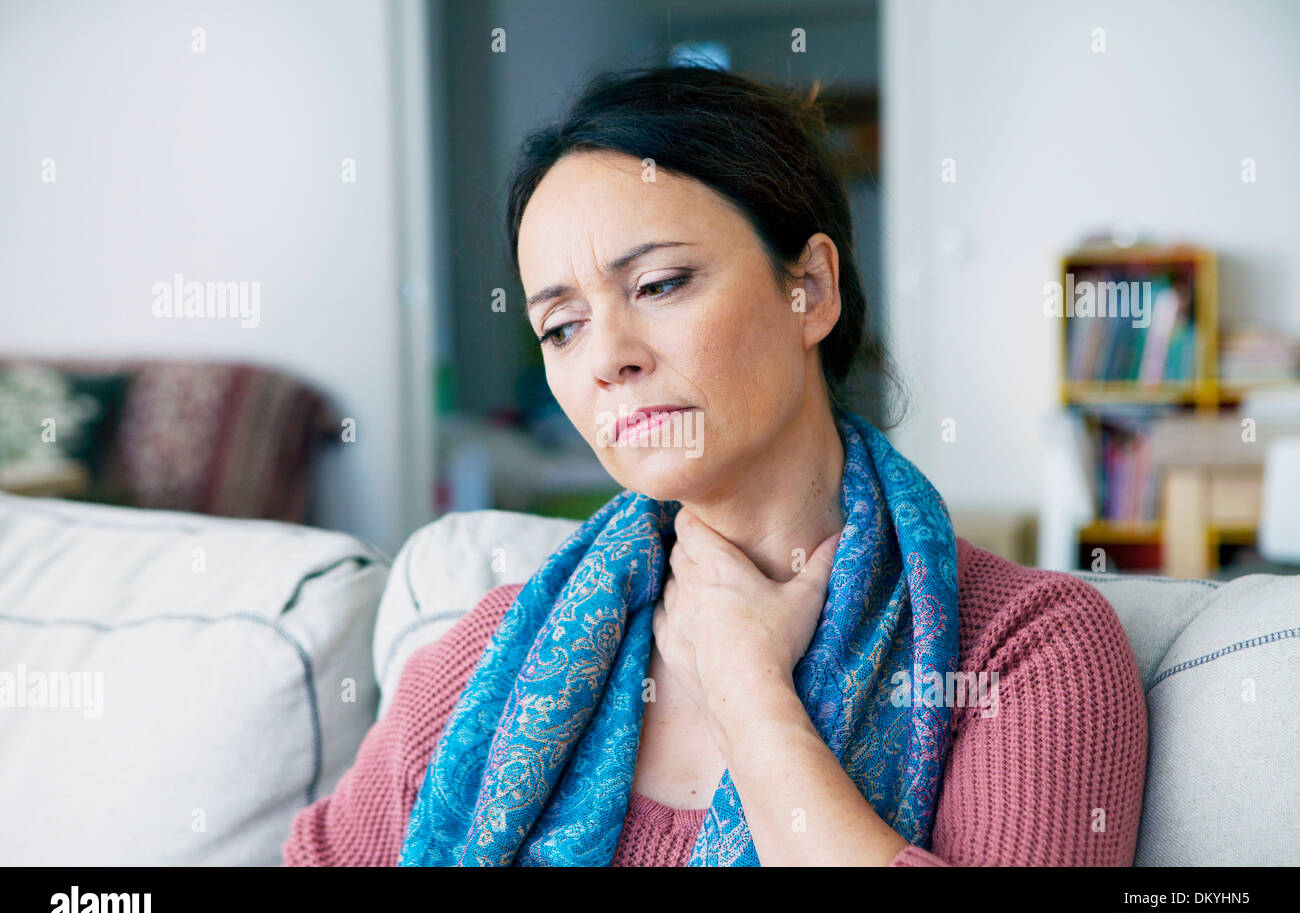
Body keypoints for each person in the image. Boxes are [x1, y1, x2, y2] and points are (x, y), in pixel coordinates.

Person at [283, 64, 1147, 867]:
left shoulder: (1023, 653)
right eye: (561, 326)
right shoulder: (493, 661)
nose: (606, 358)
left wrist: (747, 687)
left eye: (658, 285)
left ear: (809, 287)